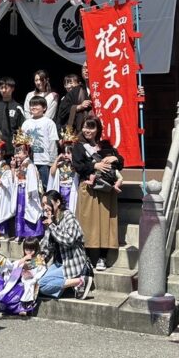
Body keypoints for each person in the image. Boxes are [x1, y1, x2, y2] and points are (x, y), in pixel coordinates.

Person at [72, 116, 123, 272]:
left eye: (92, 127)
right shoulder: (78, 146)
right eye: (85, 127)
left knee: (105, 223)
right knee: (87, 222)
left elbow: (120, 163)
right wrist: (95, 165)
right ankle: (86, 257)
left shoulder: (105, 145)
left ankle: (103, 257)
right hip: (88, 189)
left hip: (106, 190)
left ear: (98, 129)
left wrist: (116, 158)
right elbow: (78, 166)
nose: (88, 130)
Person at [36, 189, 94, 300]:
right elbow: (47, 247)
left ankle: (80, 280)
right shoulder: (51, 219)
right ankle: (70, 284)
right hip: (59, 263)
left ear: (57, 202)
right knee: (36, 284)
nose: (44, 207)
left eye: (47, 203)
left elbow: (69, 240)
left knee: (42, 284)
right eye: (43, 204)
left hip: (72, 264)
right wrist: (37, 261)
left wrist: (52, 226)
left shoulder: (68, 216)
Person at [0, 237, 47, 316]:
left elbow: (42, 270)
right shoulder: (24, 258)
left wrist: (34, 278)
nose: (29, 252)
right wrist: (24, 260)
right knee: (12, 292)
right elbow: (15, 268)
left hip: (31, 281)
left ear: (36, 248)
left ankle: (24, 308)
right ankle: (14, 308)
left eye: (31, 249)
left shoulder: (39, 259)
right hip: (22, 280)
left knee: (27, 289)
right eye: (27, 249)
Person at [10, 131, 45, 242]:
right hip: (20, 191)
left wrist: (31, 193)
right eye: (16, 152)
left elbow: (33, 181)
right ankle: (20, 233)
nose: (17, 155)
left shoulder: (29, 165)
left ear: (27, 153)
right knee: (20, 212)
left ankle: (31, 233)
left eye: (19, 152)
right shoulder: (21, 165)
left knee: (29, 210)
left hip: (27, 192)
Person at [20, 95, 59, 186]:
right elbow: (21, 144)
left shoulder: (49, 122)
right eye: (31, 105)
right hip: (28, 161)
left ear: (44, 107)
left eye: (36, 105)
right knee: (28, 186)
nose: (33, 107)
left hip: (44, 162)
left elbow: (53, 143)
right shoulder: (26, 123)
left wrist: (53, 162)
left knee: (45, 186)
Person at [0, 76, 26, 159]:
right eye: (1, 88)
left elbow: (21, 131)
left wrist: (19, 148)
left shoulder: (18, 108)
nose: (3, 90)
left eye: (6, 88)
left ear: (12, 89)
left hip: (11, 150)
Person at [48, 127, 80, 213]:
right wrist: (56, 160)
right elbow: (52, 173)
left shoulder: (76, 165)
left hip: (71, 192)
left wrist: (73, 159)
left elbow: (79, 171)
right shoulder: (60, 165)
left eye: (69, 153)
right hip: (61, 191)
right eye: (65, 153)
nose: (66, 155)